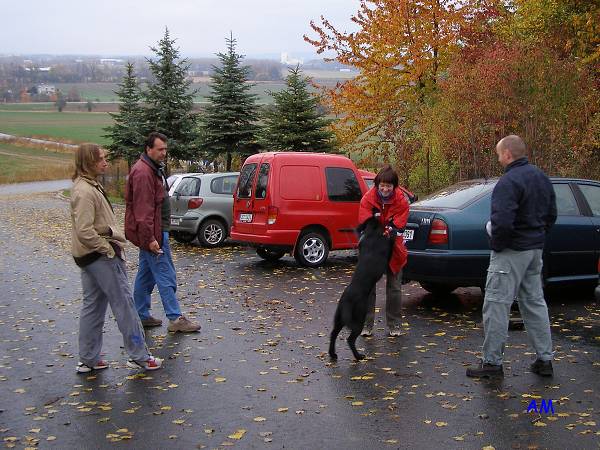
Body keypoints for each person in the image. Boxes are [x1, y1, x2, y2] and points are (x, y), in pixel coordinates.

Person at [466, 135, 557, 378]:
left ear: (507, 154)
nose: (498, 158)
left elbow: (502, 222)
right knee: (535, 302)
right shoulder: (541, 178)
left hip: (511, 251)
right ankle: (544, 359)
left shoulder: (508, 182)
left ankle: (492, 363)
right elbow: (551, 214)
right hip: (534, 251)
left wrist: (497, 245)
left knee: (496, 304)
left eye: (499, 154)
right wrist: (536, 237)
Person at [70, 144, 162, 372]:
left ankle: (88, 359)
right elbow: (84, 230)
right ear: (88, 162)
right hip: (100, 257)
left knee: (92, 305)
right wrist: (107, 248)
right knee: (125, 305)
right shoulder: (84, 191)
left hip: (90, 257)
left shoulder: (88, 186)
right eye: (101, 159)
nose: (105, 162)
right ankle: (139, 355)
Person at [125, 132, 201, 333]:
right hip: (154, 234)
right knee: (165, 274)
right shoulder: (143, 172)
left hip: (156, 232)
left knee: (146, 275)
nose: (163, 153)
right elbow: (143, 211)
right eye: (160, 149)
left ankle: (140, 314)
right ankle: (175, 318)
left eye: (165, 149)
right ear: (148, 149)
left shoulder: (151, 169)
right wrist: (150, 238)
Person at [358, 165, 410, 337]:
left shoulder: (401, 201)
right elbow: (365, 223)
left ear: (394, 186)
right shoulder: (367, 199)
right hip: (372, 250)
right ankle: (366, 324)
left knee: (394, 288)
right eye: (382, 185)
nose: (385, 188)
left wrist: (387, 229)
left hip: (394, 250)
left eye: (389, 185)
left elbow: (398, 226)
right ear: (377, 184)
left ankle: (394, 324)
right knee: (368, 287)